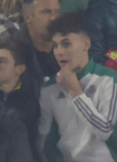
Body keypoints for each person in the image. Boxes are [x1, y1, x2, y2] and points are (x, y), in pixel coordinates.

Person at [40, 13, 117, 162]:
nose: (59, 51)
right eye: (55, 46)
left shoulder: (109, 79)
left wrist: (76, 93)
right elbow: (46, 143)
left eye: (66, 43)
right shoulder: (48, 88)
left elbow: (106, 131)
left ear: (86, 44)